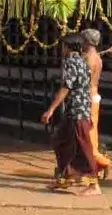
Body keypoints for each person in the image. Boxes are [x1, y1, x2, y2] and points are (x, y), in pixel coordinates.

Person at [41, 34, 101, 197]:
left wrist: (51, 109)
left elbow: (65, 88)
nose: (61, 49)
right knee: (60, 141)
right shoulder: (81, 61)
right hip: (75, 110)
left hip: (78, 111)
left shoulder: (72, 61)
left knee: (83, 146)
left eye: (63, 46)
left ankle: (94, 183)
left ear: (68, 47)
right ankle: (65, 176)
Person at [81, 28, 112, 180]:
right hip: (94, 96)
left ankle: (101, 162)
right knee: (89, 133)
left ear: (86, 42)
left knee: (86, 134)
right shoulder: (98, 57)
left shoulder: (88, 58)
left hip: (87, 98)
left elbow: (83, 80)